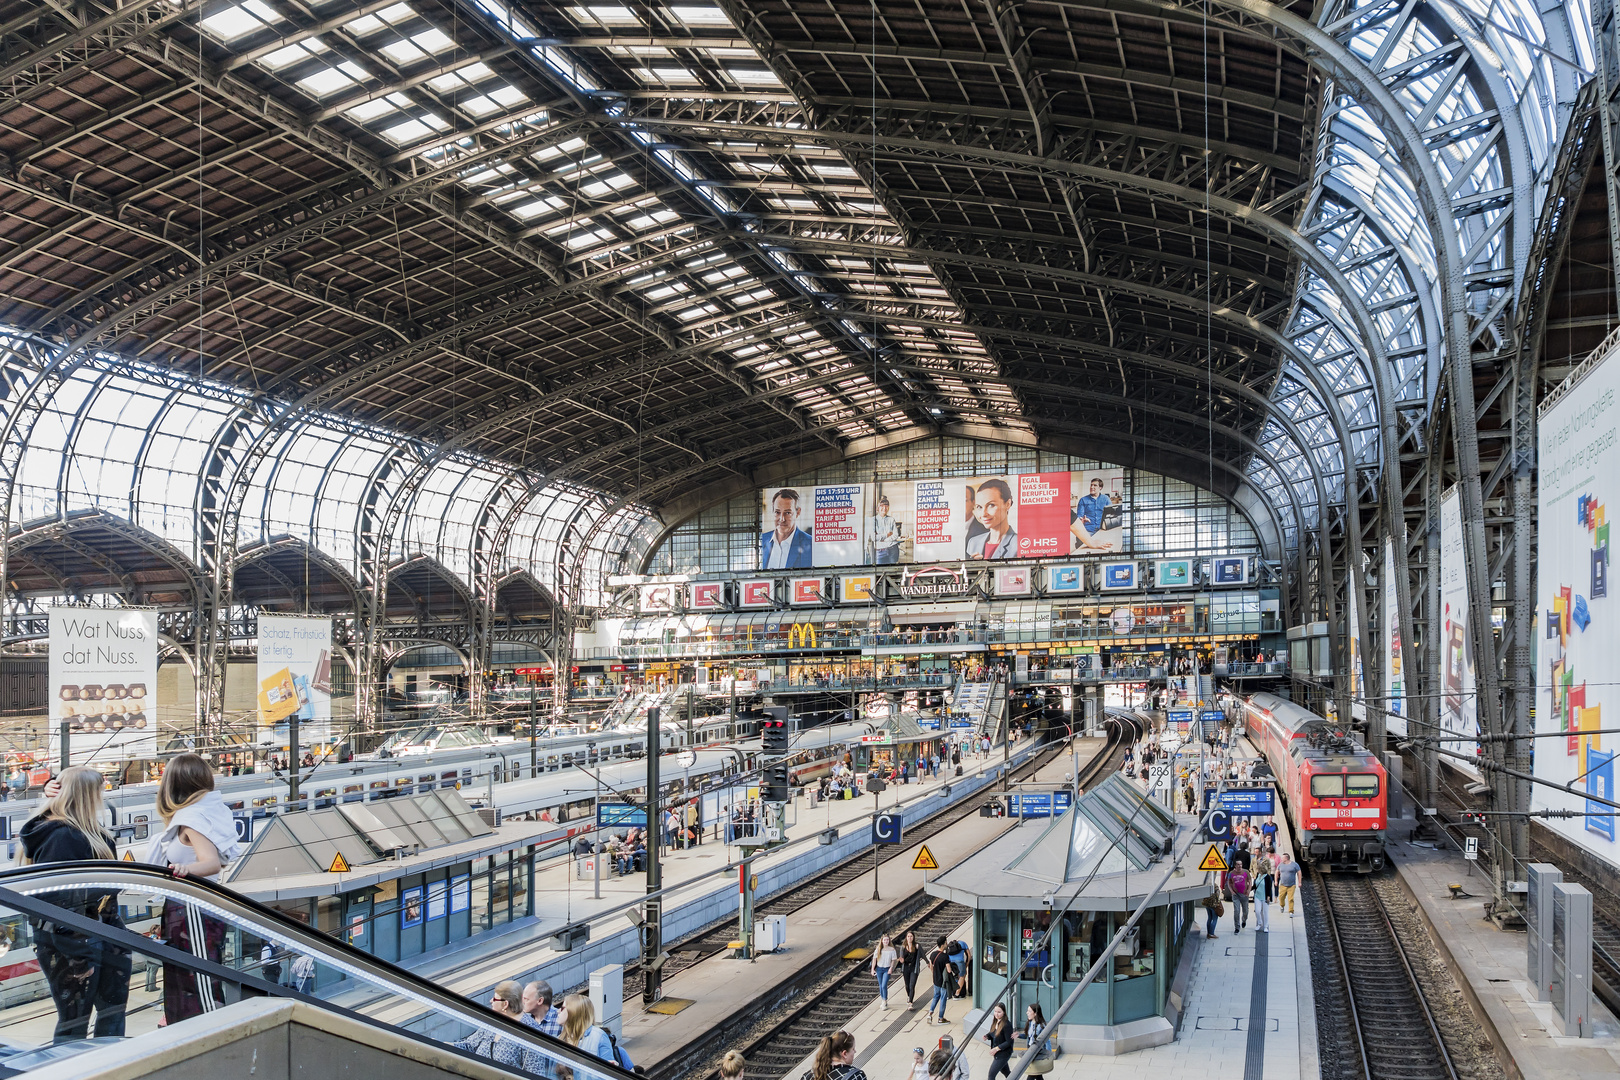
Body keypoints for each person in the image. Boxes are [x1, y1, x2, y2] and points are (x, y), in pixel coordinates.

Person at [19, 766, 130, 1042]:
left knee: (76, 1018)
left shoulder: (56, 832)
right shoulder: (66, 836)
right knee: (86, 1018)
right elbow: (62, 896)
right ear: (88, 796)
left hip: (82, 936)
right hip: (79, 939)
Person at [145, 752, 244, 1024]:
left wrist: (185, 869)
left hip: (193, 908)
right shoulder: (203, 813)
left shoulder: (192, 819)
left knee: (197, 975)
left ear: (173, 784)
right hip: (190, 907)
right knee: (191, 974)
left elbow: (210, 863)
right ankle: (185, 1022)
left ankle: (203, 1029)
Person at [452, 981, 547, 1073]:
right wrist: (443, 1045)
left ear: (505, 1004)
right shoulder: (492, 1022)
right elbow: (469, 1046)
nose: (491, 1001)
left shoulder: (530, 1032)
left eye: (494, 999)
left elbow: (534, 1072)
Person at [560, 993, 633, 1076]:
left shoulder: (598, 1036)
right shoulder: (560, 1037)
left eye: (562, 1008)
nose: (558, 1011)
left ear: (573, 1012)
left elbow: (606, 1073)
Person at [761, 488, 813, 568]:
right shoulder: (762, 540)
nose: (782, 519)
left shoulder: (811, 544)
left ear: (798, 512)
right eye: (777, 512)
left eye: (788, 513)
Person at [964, 479, 1016, 559]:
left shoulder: (1019, 544)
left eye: (991, 505)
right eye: (979, 507)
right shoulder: (973, 542)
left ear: (1007, 504)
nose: (984, 514)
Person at [1071, 475, 1115, 551]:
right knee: (1082, 549)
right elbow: (1079, 517)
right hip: (1087, 530)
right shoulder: (1083, 500)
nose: (1092, 487)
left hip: (1102, 530)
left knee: (1107, 547)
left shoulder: (1106, 499)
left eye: (1095, 485)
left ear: (1100, 488)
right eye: (1091, 485)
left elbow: (1111, 514)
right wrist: (1082, 520)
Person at [983, 1002, 1014, 1080]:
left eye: (999, 1012)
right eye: (995, 1011)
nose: (996, 1014)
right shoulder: (995, 1021)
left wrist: (996, 1048)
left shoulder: (1007, 1025)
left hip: (1003, 1054)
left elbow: (1009, 1041)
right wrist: (987, 1036)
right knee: (1007, 1072)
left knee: (991, 1075)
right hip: (998, 1053)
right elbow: (993, 1033)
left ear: (1004, 1012)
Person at [927, 936, 954, 1024]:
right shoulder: (945, 956)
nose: (946, 944)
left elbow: (931, 967)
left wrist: (934, 974)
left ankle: (930, 1013)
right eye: (946, 943)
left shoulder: (933, 954)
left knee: (936, 996)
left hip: (935, 980)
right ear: (943, 944)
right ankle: (940, 1018)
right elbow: (949, 970)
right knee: (943, 998)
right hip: (943, 982)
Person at [870, 496, 901, 564]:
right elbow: (873, 537)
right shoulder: (873, 520)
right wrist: (887, 534)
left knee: (893, 572)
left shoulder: (891, 519)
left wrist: (884, 539)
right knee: (880, 572)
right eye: (882, 506)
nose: (884, 508)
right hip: (879, 551)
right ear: (878, 508)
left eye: (886, 506)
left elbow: (895, 535)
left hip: (893, 549)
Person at [871, 932, 899, 1008]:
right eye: (884, 940)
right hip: (879, 969)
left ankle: (884, 1000)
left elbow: (894, 960)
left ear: (889, 941)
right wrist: (872, 969)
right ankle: (883, 1000)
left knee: (884, 985)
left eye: (887, 940)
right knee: (880, 986)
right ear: (882, 941)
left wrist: (891, 968)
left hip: (887, 969)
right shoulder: (878, 949)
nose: (886, 941)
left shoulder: (892, 950)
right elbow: (874, 959)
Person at [899, 930, 922, 1006]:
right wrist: (901, 960)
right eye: (908, 936)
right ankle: (909, 996)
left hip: (913, 968)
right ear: (906, 937)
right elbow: (901, 958)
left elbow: (922, 954)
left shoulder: (916, 946)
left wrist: (928, 962)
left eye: (911, 936)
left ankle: (910, 1002)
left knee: (912, 985)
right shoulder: (903, 947)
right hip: (906, 968)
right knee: (907, 985)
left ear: (913, 937)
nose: (909, 938)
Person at [1226, 863, 1252, 934]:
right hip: (1236, 895)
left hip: (1244, 894)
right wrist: (1232, 891)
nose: (1240, 866)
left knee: (1245, 911)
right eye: (1238, 864)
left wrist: (1248, 891)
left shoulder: (1246, 872)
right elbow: (1229, 882)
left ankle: (1244, 920)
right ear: (1235, 866)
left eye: (1241, 864)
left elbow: (1250, 881)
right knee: (1236, 911)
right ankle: (1237, 927)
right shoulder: (1231, 873)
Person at [1252, 851, 1274, 933]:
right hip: (1257, 895)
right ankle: (1259, 923)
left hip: (1265, 896)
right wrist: (1248, 889)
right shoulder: (1258, 875)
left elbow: (1269, 887)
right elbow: (1255, 885)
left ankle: (1266, 926)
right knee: (1257, 911)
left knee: (1265, 912)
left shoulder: (1267, 877)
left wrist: (1269, 896)